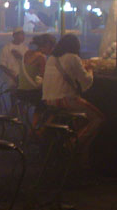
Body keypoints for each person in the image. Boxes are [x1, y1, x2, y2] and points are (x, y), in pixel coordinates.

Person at [42, 34, 104, 169]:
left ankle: (81, 157)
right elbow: (86, 81)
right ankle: (73, 143)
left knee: (80, 120)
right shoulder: (73, 58)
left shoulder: (51, 58)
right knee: (98, 118)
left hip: (48, 101)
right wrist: (90, 70)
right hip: (65, 100)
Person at [15, 33, 57, 121]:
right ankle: (39, 127)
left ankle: (34, 125)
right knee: (50, 103)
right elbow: (44, 76)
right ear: (47, 45)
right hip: (32, 92)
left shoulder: (26, 53)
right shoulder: (41, 57)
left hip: (20, 90)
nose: (52, 49)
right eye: (52, 46)